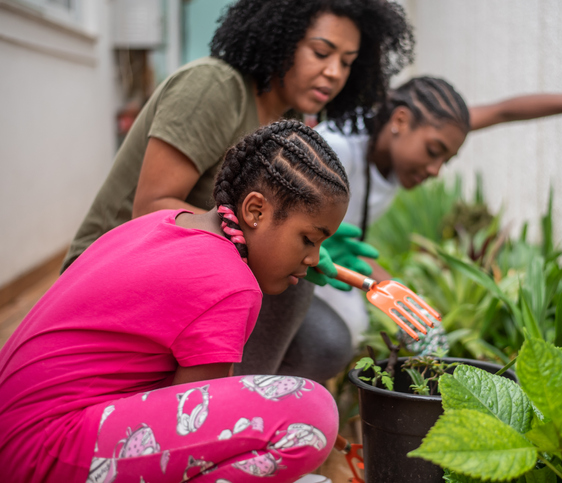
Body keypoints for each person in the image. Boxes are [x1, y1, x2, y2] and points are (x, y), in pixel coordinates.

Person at [59, 0, 414, 377]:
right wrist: (277, 239)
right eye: (321, 52)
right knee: (290, 288)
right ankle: (232, 417)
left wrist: (310, 241)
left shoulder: (287, 119)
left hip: (194, 273)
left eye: (347, 62)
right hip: (114, 272)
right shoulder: (213, 87)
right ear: (280, 35)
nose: (333, 72)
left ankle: (251, 405)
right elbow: (151, 206)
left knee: (325, 343)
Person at [0, 121, 350, 483]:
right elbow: (195, 433)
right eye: (309, 239)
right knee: (311, 415)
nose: (314, 258)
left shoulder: (165, 222)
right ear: (256, 211)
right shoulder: (231, 284)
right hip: (42, 454)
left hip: (14, 434)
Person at [278, 38, 562, 380]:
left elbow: (501, 111)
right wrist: (394, 291)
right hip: (286, 254)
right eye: (433, 152)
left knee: (351, 328)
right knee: (327, 340)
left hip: (328, 254)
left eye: (447, 158)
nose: (436, 169)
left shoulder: (410, 138)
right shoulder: (333, 149)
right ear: (399, 121)